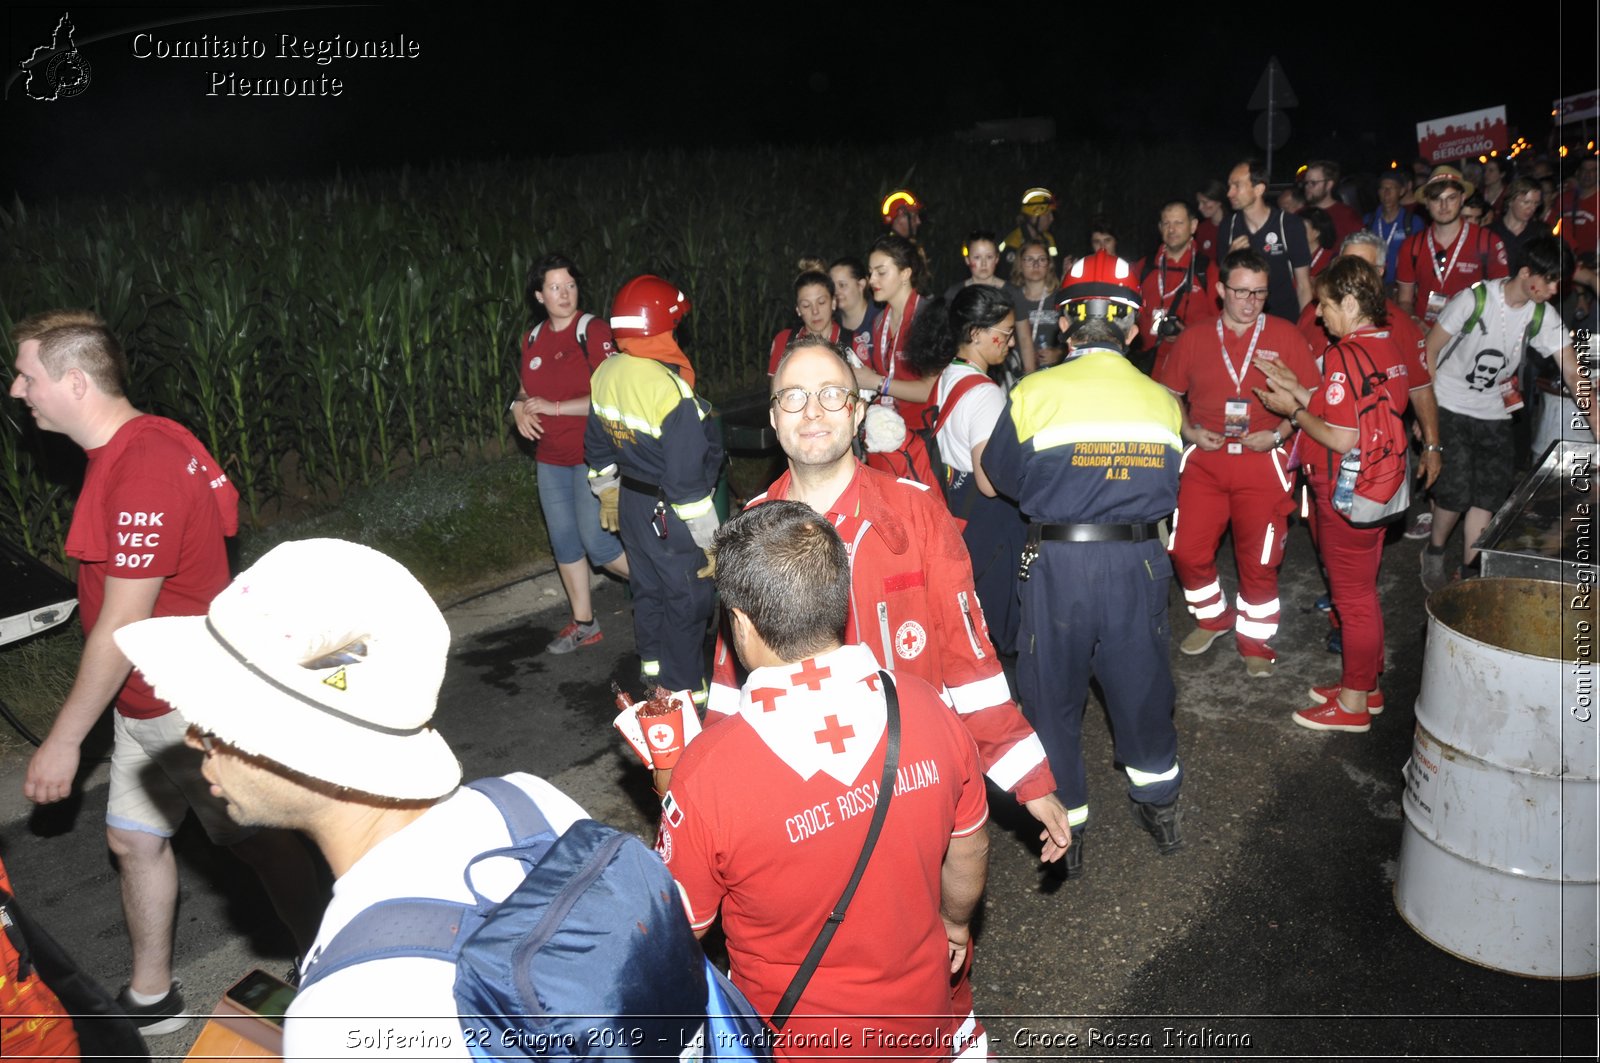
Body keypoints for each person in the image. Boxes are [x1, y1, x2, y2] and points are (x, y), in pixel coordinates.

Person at [111, 538, 593, 1059]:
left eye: (219, 718)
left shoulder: (343, 1009)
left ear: (301, 744)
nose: (192, 739)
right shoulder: (532, 802)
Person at [10, 311, 319, 1034]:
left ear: (74, 381)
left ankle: (329, 955)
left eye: (28, 375)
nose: (19, 390)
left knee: (265, 844)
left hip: (186, 705)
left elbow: (123, 622)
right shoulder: (148, 442)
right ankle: (153, 996)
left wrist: (62, 740)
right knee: (132, 838)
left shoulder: (144, 463)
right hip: (142, 702)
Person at [705, 335, 1070, 854]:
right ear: (774, 417)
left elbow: (969, 661)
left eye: (831, 394)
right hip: (806, 794)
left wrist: (1026, 774)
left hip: (912, 774)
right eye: (794, 396)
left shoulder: (917, 515)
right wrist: (707, 783)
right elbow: (729, 680)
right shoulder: (750, 532)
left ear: (856, 415)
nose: (812, 411)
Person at [659, 501, 990, 1060]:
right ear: (838, 600)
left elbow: (674, 932)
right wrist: (955, 922)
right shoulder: (926, 707)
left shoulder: (708, 771)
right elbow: (970, 847)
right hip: (926, 1022)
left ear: (739, 622)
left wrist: (669, 789)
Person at [982, 250, 1186, 873]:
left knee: (1052, 698)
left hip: (1058, 565)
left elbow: (1000, 480)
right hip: (1140, 564)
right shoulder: (1164, 402)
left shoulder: (1032, 394)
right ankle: (1161, 804)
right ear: (1131, 327)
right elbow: (1174, 485)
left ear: (1066, 325)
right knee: (1145, 688)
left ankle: (1062, 827)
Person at [1253, 258, 1411, 732]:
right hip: (1381, 489)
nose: (1319, 315)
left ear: (1349, 302)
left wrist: (1290, 411)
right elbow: (1354, 408)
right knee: (1362, 593)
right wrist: (1297, 388)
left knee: (1354, 599)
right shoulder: (1387, 345)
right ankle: (1367, 684)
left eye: (1324, 305)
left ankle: (1352, 704)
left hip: (1351, 493)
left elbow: (1341, 437)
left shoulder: (1346, 353)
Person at [1156, 250, 1318, 677]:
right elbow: (1169, 393)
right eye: (1241, 291)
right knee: (1186, 550)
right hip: (1205, 460)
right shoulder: (1194, 337)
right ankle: (1213, 617)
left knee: (1260, 558)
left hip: (1263, 458)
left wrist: (1281, 433)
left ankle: (1255, 639)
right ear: (1221, 290)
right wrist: (1188, 430)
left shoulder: (1285, 335)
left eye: (1260, 293)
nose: (1250, 302)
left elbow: (1313, 401)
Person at [1419, 236, 1590, 591]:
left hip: (1495, 411)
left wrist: (1598, 424)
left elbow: (1574, 372)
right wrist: (1427, 420)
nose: (1556, 289)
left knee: (1488, 495)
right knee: (1453, 493)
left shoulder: (1542, 315)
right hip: (1449, 403)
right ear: (1527, 272)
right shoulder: (1474, 300)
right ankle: (1434, 551)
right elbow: (1430, 353)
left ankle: (1468, 573)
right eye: (1551, 280)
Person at [587, 275, 722, 700]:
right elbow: (688, 483)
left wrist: (607, 488)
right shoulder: (670, 390)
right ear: (660, 328)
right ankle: (683, 696)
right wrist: (713, 541)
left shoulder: (606, 372)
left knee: (647, 589)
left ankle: (652, 669)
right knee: (687, 598)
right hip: (673, 516)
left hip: (632, 505)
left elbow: (595, 441)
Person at [512, 254, 629, 654]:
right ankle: (584, 623)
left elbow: (611, 392)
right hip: (550, 458)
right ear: (539, 295)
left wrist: (555, 407)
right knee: (564, 543)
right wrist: (516, 408)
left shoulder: (593, 331)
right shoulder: (532, 339)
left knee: (599, 546)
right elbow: (526, 392)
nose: (564, 294)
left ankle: (668, 589)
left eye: (570, 286)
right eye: (554, 288)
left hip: (591, 454)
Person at [904, 286, 1030, 655]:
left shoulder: (947, 375)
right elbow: (990, 482)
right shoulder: (985, 393)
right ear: (975, 333)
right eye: (1004, 334)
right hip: (990, 522)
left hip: (958, 510)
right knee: (1003, 628)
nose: (1009, 343)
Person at [1396, 165, 1510, 327]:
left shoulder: (1487, 241)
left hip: (1471, 334)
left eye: (1451, 198)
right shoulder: (1411, 246)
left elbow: (1502, 296)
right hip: (1427, 333)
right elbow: (1405, 300)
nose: (1444, 206)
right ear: (1427, 203)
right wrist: (1415, 323)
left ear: (1462, 198)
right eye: (1436, 199)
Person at [856, 233, 937, 426]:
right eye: (870, 272)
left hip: (924, 432)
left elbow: (929, 390)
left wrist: (876, 382)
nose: (872, 279)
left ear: (905, 274)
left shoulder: (929, 317)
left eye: (881, 272)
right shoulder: (878, 322)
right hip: (888, 431)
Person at [1220, 158, 1313, 322]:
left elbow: (1304, 285)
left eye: (1237, 186)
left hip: (1284, 320)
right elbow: (1223, 283)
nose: (1229, 193)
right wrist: (1231, 259)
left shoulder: (1289, 225)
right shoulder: (1228, 226)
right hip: (1243, 320)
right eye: (1229, 186)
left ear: (1259, 189)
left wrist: (1305, 328)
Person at [1136, 199, 1221, 368]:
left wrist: (1188, 334)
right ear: (1160, 228)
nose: (1172, 229)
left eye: (1178, 223)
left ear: (1193, 226)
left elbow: (1221, 323)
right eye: (1166, 223)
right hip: (1149, 364)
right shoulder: (1145, 267)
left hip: (1192, 364)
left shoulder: (1207, 270)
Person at [943, 230, 1038, 375]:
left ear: (997, 259)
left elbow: (1024, 338)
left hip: (1004, 366)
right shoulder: (954, 294)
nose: (983, 263)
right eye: (977, 257)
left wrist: (1030, 374)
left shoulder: (1013, 293)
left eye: (989, 257)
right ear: (967, 260)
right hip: (964, 366)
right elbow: (945, 336)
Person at [767, 270, 845, 375]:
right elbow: (776, 389)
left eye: (821, 302)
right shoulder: (784, 341)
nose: (815, 311)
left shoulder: (852, 343)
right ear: (798, 310)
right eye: (806, 305)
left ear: (834, 303)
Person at [1365, 171, 1425, 286]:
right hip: (1373, 285)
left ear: (1401, 191)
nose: (1386, 193)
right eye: (1383, 188)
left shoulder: (1413, 222)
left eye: (1392, 188)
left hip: (1402, 285)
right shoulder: (1368, 221)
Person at [1013, 238, 1064, 371]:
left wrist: (1058, 354)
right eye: (1029, 259)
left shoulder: (1061, 298)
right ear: (1020, 264)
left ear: (1049, 265)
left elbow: (1074, 336)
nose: (1036, 265)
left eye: (1041, 259)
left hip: (1052, 373)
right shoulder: (1011, 298)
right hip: (1017, 372)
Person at [998, 186, 1060, 278]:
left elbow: (1054, 270)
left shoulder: (1048, 239)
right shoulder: (1014, 242)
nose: (1051, 219)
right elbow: (1008, 277)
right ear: (1035, 217)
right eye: (1048, 214)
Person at [829, 255, 878, 367]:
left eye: (842, 285)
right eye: (832, 286)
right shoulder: (829, 324)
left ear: (861, 284)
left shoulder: (881, 320)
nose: (836, 292)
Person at [1302, 160, 1364, 243]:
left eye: (1313, 183)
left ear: (1329, 185)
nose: (1307, 187)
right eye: (1306, 182)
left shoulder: (1347, 217)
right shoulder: (1300, 214)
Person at [1194, 179, 1227, 261]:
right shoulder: (1202, 228)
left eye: (1204, 202)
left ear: (1219, 202)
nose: (1200, 207)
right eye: (1199, 203)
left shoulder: (1234, 225)